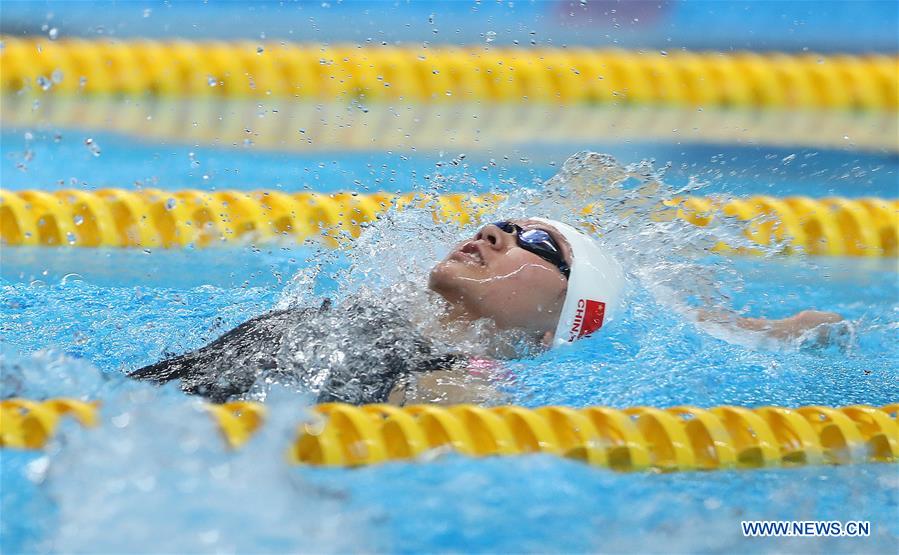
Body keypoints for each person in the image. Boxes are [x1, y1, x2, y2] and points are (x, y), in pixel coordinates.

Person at [131, 218, 842, 405]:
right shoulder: (350, 311)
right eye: (502, 223)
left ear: (557, 322)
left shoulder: (453, 379)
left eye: (538, 243)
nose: (497, 233)